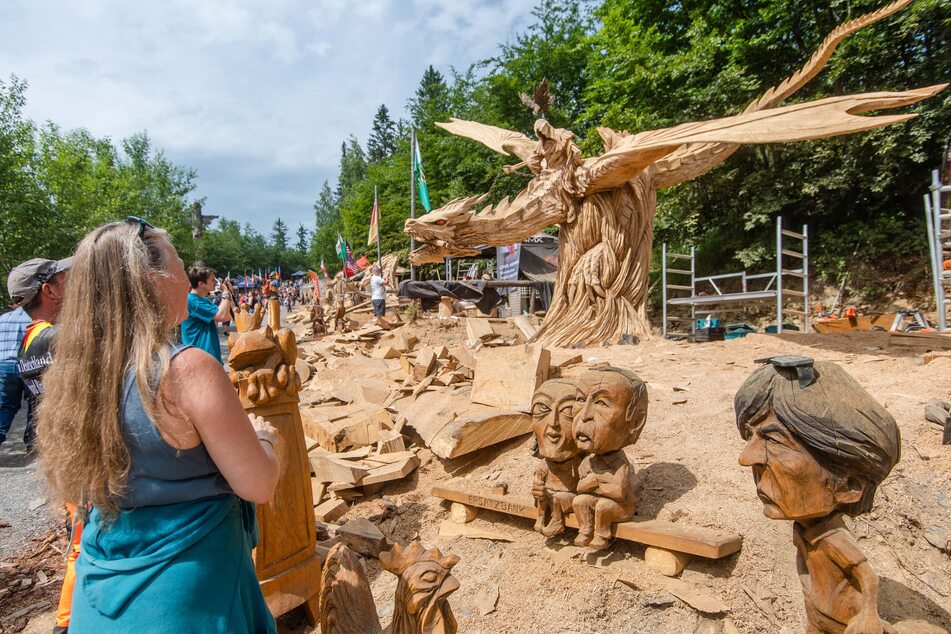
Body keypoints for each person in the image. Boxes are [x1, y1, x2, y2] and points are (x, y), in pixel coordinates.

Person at [36, 218, 280, 632]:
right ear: (149, 279)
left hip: (102, 598)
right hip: (189, 601)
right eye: (180, 265)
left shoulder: (74, 376)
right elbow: (258, 485)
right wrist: (265, 439)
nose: (187, 279)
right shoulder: (186, 370)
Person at [735, 355, 900, 633]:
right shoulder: (805, 528)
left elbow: (867, 577)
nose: (746, 458)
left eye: (774, 440)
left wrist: (868, 616)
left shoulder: (834, 539)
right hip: (819, 612)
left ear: (849, 486)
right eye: (751, 436)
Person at [181, 267, 233, 363]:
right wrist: (226, 292)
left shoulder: (203, 300)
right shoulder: (192, 301)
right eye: (212, 280)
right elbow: (222, 316)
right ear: (201, 284)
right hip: (200, 358)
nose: (216, 282)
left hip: (207, 355)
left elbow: (227, 315)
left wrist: (228, 292)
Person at [0, 305, 31, 448]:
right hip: (27, 365)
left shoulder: (3, 319)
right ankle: (32, 441)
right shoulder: (32, 319)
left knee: (6, 405)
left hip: (4, 365)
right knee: (35, 402)